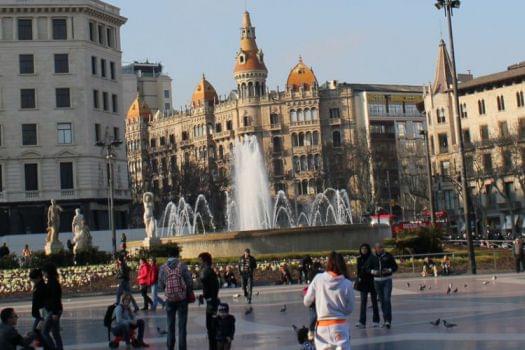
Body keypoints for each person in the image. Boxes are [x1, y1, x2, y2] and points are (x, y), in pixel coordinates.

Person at [304, 251, 354, 350]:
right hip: (340, 326)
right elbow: (350, 309)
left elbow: (307, 301)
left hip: (322, 328)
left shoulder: (318, 279)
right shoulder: (347, 283)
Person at [158, 246, 193, 350]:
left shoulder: (163, 267)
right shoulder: (182, 266)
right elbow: (189, 281)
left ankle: (170, 346)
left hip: (169, 300)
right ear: (177, 255)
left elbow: (160, 284)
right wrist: (188, 292)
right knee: (182, 326)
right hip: (182, 299)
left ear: (168, 255)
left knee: (170, 324)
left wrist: (167, 290)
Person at [364, 243, 398, 329]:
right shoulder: (372, 257)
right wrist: (373, 272)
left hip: (387, 280)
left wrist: (389, 270)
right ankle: (385, 319)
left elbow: (395, 266)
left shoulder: (388, 256)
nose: (380, 249)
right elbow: (366, 268)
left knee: (387, 299)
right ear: (375, 249)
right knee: (382, 301)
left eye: (381, 247)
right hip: (377, 281)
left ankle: (388, 321)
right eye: (378, 248)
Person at [355, 243, 380, 329]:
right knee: (363, 302)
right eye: (362, 249)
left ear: (368, 249)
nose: (364, 250)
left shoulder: (372, 258)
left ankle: (376, 321)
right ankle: (362, 321)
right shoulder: (359, 259)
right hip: (363, 283)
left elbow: (375, 269)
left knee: (374, 302)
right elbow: (358, 271)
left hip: (372, 281)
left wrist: (370, 271)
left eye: (365, 248)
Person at [198, 252, 220, 350]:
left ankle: (213, 347)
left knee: (210, 327)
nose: (199, 263)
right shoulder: (211, 271)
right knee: (212, 326)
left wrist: (204, 295)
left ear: (204, 261)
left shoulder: (205, 271)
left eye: (200, 261)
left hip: (211, 302)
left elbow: (204, 282)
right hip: (213, 300)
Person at [41, 263, 63, 350]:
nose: (43, 274)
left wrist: (55, 312)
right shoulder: (52, 281)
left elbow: (55, 298)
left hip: (54, 310)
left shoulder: (53, 282)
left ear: (48, 272)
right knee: (55, 332)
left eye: (44, 272)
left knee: (44, 331)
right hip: (55, 310)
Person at [29, 268, 51, 350]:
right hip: (39, 314)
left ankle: (48, 347)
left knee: (37, 331)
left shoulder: (42, 287)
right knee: (38, 332)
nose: (32, 281)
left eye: (33, 279)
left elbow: (43, 303)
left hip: (41, 314)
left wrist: (43, 316)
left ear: (38, 278)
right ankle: (46, 346)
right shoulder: (37, 286)